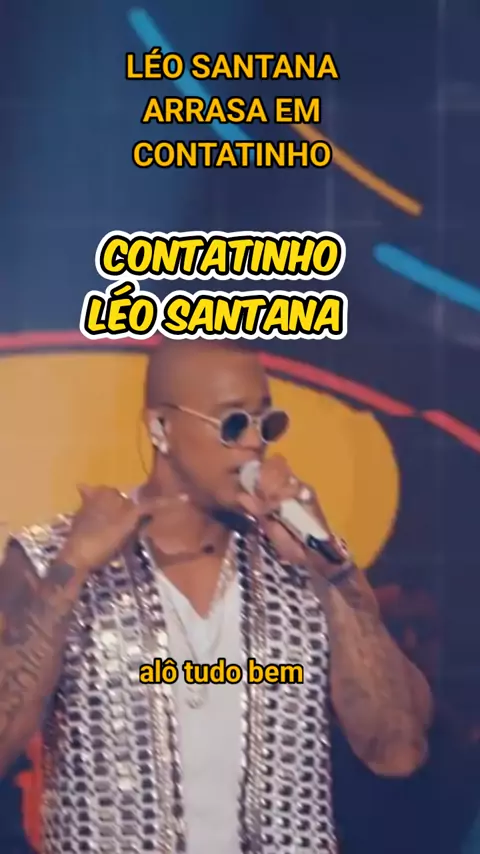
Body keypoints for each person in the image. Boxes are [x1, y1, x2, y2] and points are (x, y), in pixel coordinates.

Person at [0, 339, 432, 854]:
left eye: (267, 424)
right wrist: (70, 573)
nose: (254, 445)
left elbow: (398, 752)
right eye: (233, 424)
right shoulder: (53, 558)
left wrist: (333, 572)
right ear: (161, 428)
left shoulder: (305, 565)